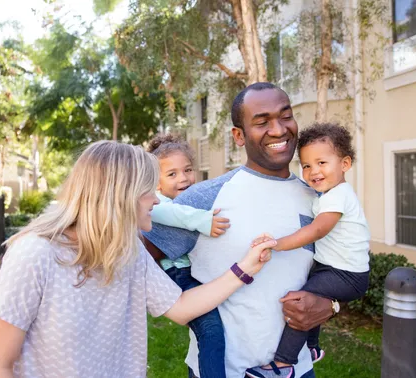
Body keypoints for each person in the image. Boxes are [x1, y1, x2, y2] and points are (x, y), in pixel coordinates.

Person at [0, 141, 276, 378]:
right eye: (148, 190)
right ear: (120, 194)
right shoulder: (34, 255)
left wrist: (245, 267)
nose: (157, 200)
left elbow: (181, 307)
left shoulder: (128, 252)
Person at [143, 83, 335, 378]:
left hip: (297, 369)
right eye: (262, 122)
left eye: (286, 116)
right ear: (239, 136)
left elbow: (344, 272)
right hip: (225, 370)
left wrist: (331, 305)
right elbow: (138, 257)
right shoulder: (203, 200)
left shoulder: (321, 201)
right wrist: (178, 306)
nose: (278, 129)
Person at [245, 123, 370, 378]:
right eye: (307, 165)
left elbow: (316, 230)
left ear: (345, 164)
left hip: (346, 274)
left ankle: (283, 365)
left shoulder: (337, 196)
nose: (314, 171)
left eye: (322, 162)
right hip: (335, 268)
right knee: (309, 295)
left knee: (301, 303)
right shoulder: (326, 195)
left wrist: (277, 244)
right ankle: (312, 348)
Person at [147, 134, 231, 378]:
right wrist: (204, 221)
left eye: (187, 170)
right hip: (178, 277)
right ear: (157, 182)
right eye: (172, 174)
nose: (183, 178)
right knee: (211, 330)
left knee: (215, 329)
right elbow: (171, 214)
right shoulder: (157, 203)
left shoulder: (186, 201)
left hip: (193, 273)